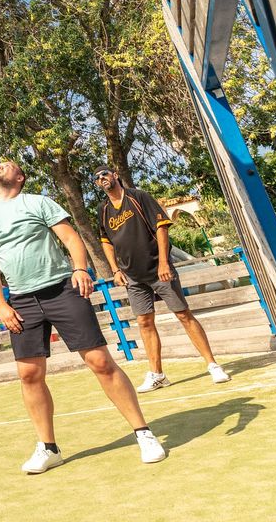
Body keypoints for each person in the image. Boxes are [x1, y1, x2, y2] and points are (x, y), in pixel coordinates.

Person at [0, 160, 167, 473]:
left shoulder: (38, 202)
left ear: (20, 177)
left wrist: (80, 268)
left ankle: (143, 433)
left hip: (61, 290)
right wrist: (1, 305)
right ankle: (48, 448)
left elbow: (72, 238)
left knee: (101, 363)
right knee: (29, 375)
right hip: (21, 301)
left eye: (7, 165)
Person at [95, 165, 231, 389]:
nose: (102, 179)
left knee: (183, 315)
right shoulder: (103, 209)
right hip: (132, 277)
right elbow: (106, 242)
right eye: (97, 178)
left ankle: (213, 365)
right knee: (144, 321)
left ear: (115, 175)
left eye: (105, 174)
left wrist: (164, 262)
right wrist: (115, 270)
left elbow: (161, 227)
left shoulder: (139, 197)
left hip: (159, 270)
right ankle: (157, 375)